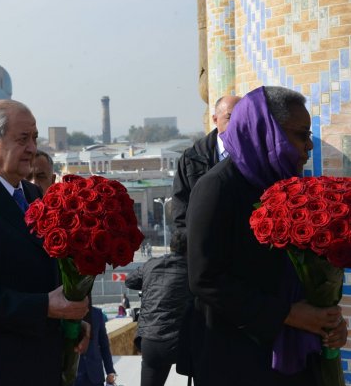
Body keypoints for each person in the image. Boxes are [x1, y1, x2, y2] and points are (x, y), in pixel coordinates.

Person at [184, 86, 347, 385]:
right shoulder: (217, 188)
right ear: (265, 131)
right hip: (240, 360)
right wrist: (286, 314)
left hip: (297, 358)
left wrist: (327, 319)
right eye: (300, 135)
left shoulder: (290, 187)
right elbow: (205, 279)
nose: (308, 146)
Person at [0, 99, 89, 386]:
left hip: (42, 360)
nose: (32, 148)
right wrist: (44, 307)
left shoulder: (32, 194)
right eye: (22, 139)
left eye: (35, 138)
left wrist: (69, 319)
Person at [124, 230, 189, 386]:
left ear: (172, 247)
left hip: (149, 341)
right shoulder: (190, 270)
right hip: (177, 343)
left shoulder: (151, 264)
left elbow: (129, 281)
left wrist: (148, 281)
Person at [171, 95, 241, 235]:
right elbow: (181, 209)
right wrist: (191, 244)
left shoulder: (258, 156)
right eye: (229, 118)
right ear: (215, 119)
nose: (236, 124)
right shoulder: (192, 159)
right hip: (203, 244)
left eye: (242, 118)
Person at [75, 306, 116, 386]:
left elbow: (104, 345)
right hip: (74, 376)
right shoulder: (65, 312)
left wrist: (110, 371)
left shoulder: (97, 313)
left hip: (96, 375)